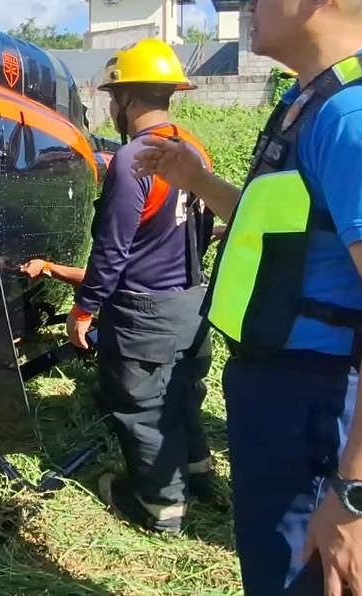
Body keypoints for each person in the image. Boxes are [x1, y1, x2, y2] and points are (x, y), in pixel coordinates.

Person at [134, 0, 362, 595]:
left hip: (318, 403)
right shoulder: (312, 101)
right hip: (282, 391)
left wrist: (360, 496)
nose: (248, 4)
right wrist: (198, 183)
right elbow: (295, 235)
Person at [19, 38, 217, 534]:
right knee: (183, 392)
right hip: (193, 304)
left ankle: (159, 507)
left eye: (112, 97)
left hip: (146, 311)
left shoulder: (133, 160)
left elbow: (112, 250)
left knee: (145, 408)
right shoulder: (194, 150)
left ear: (124, 99)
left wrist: (83, 310)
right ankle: (198, 472)